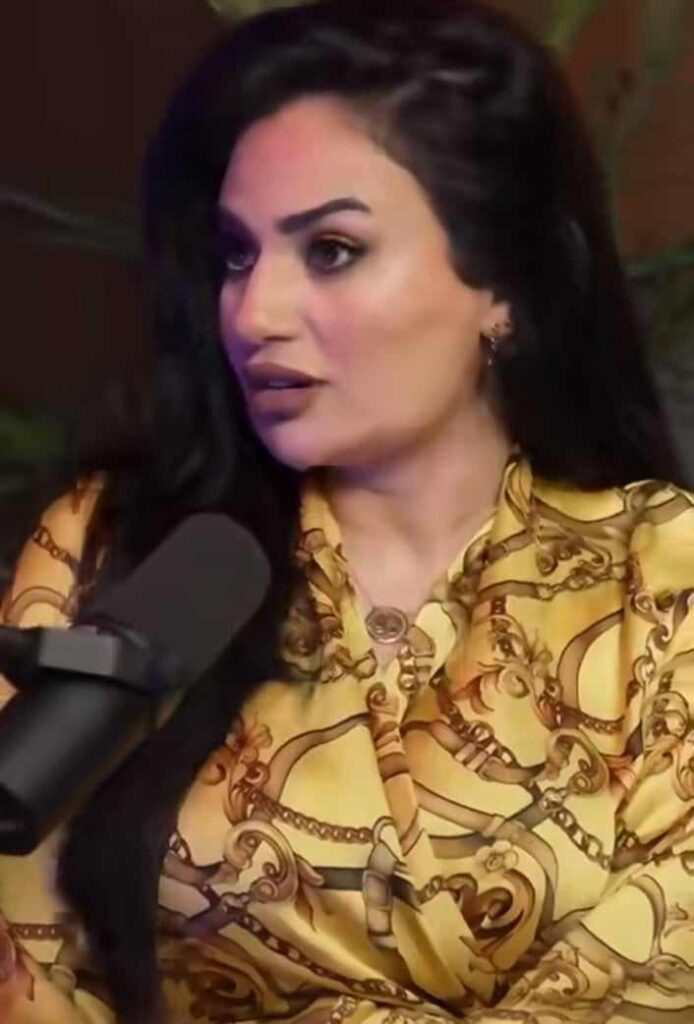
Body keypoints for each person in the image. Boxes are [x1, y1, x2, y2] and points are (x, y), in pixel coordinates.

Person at [2, 0, 693, 1021]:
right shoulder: (112, 545)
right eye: (236, 255)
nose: (254, 313)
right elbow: (24, 954)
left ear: (501, 284)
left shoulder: (661, 570)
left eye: (330, 249)